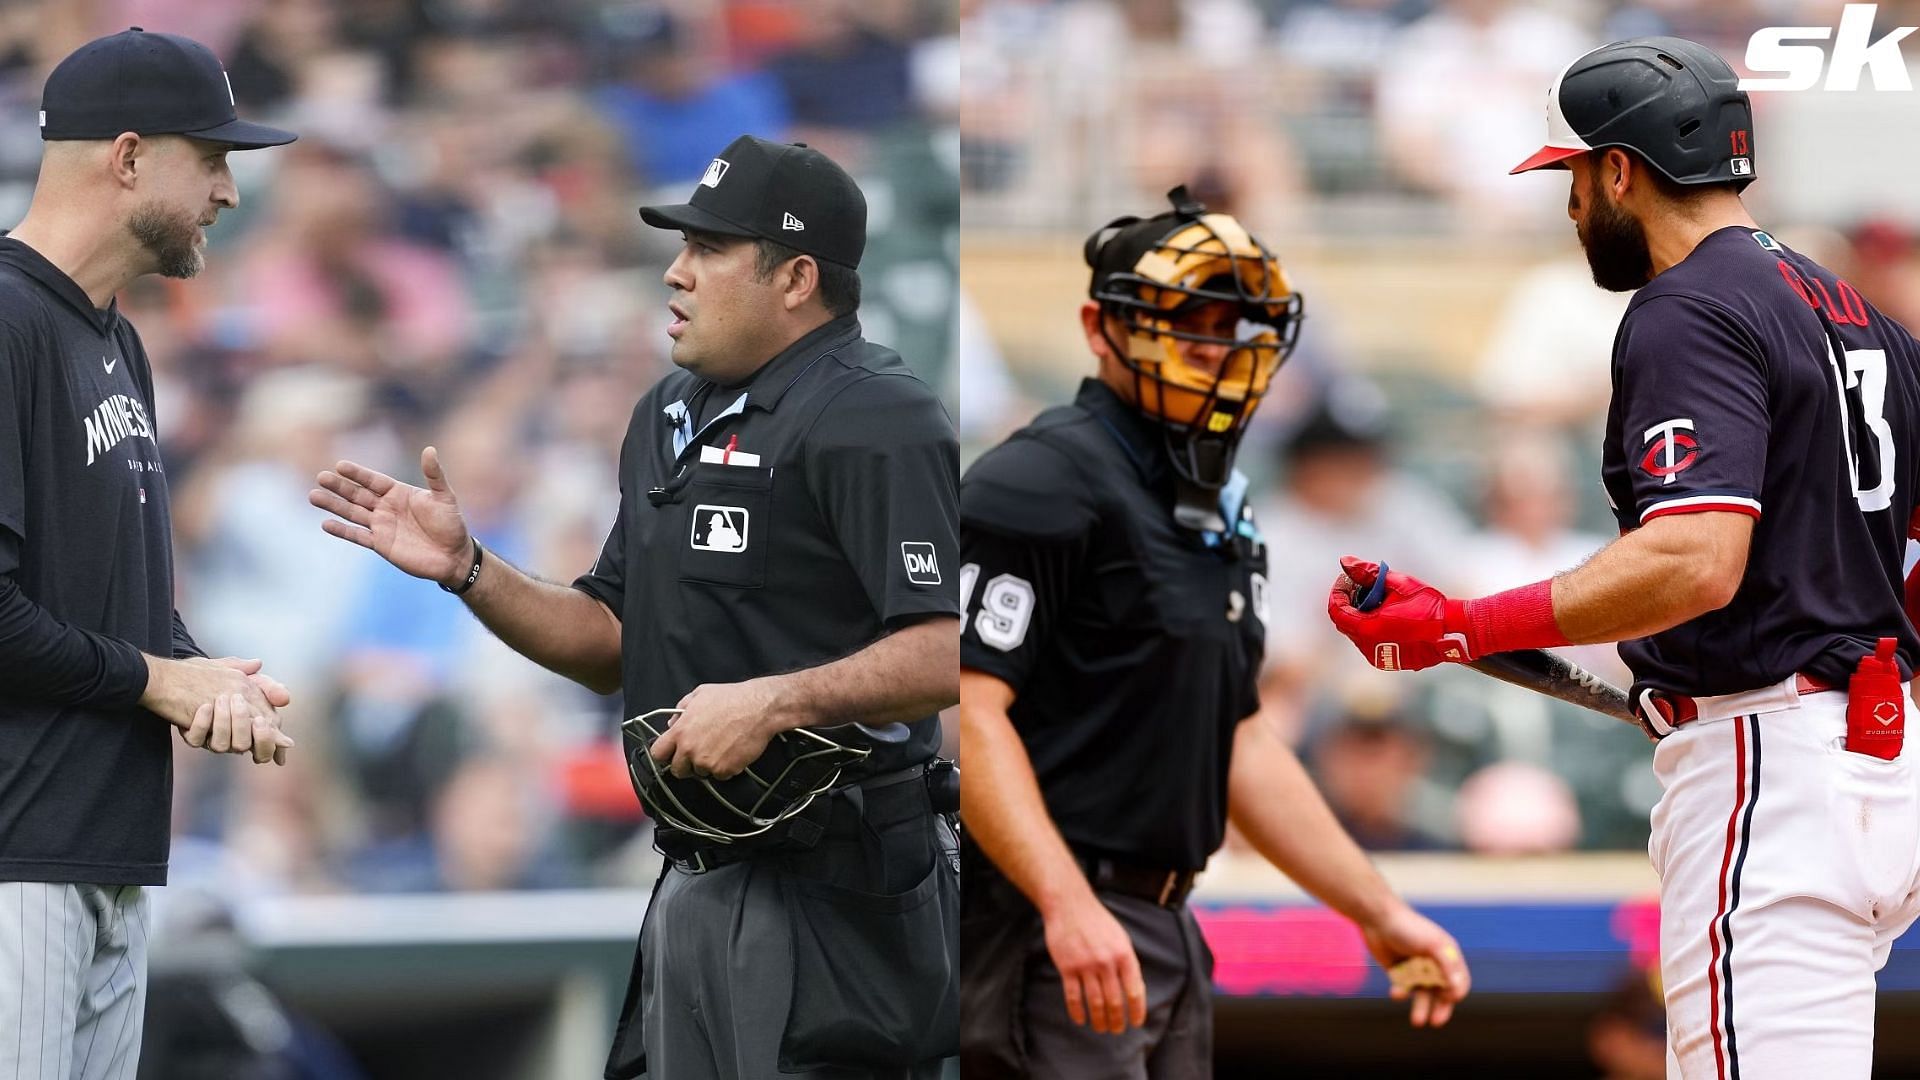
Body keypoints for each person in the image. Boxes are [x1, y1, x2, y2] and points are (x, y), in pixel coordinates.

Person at [1328, 36, 1920, 1078]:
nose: (1570, 209)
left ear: (1618, 170)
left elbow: (1695, 560)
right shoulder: (1860, 314)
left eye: (1572, 177)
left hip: (1771, 770)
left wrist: (1458, 625)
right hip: (1873, 759)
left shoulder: (1688, 307)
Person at [309, 133, 960, 1079]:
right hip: (695, 873)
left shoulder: (877, 414)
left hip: (845, 892)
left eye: (708, 249)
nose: (675, 272)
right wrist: (469, 569)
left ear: (796, 278)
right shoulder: (669, 411)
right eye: (679, 246)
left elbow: (947, 651)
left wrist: (774, 701)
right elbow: (611, 635)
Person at [960, 186, 1470, 1079]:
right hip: (1040, 924)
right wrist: (1065, 902)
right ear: (1100, 327)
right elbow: (964, 711)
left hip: (1165, 925)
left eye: (1239, 326)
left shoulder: (1216, 510)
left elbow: (1237, 735)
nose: (1221, 350)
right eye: (1190, 322)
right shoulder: (1037, 481)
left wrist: (1376, 909)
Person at [0, 27, 299, 1080]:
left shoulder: (114, 334)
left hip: (108, 848)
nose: (227, 189)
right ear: (126, 157)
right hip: (15, 854)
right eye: (210, 157)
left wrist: (199, 670)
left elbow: (113, 601)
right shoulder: (5, 321)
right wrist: (157, 678)